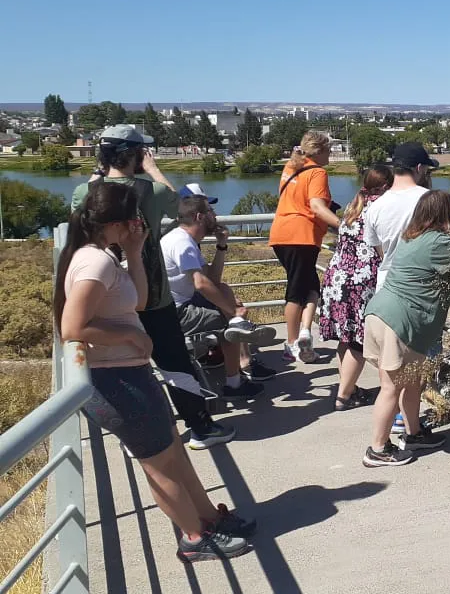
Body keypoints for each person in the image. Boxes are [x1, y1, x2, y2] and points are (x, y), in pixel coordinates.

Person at [55, 182, 256, 563]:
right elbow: (72, 327)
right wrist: (130, 335)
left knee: (173, 452)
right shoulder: (94, 262)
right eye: (136, 217)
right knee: (158, 464)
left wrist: (133, 252)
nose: (141, 222)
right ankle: (195, 537)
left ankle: (209, 518)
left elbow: (141, 300)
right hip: (115, 383)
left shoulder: (106, 255)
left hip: (130, 375)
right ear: (117, 221)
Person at [73, 125, 235, 450]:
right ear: (135, 154)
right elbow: (182, 207)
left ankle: (135, 436)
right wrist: (153, 170)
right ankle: (200, 427)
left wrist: (100, 172)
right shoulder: (152, 191)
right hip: (154, 297)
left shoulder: (84, 192)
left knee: (126, 369)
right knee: (176, 365)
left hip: (110, 297)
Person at [362, 190, 450, 467]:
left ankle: (413, 433)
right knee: (391, 387)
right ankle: (377, 449)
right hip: (399, 321)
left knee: (412, 381)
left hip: (382, 313)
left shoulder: (410, 237)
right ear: (445, 213)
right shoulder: (440, 242)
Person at [162, 190, 278, 398]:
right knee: (228, 325)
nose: (215, 216)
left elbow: (213, 279)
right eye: (211, 212)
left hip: (179, 302)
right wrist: (232, 312)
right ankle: (234, 385)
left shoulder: (184, 239)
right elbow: (200, 283)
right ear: (199, 216)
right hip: (176, 312)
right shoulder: (182, 244)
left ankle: (239, 328)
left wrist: (222, 245)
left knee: (224, 290)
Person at [362, 141, 439, 432]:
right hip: (418, 293)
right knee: (414, 372)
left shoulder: (375, 206)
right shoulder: (428, 200)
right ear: (419, 168)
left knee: (390, 371)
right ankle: (403, 429)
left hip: (385, 292)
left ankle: (401, 422)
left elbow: (379, 251)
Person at [317, 164, 393, 411]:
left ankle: (347, 387)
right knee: (359, 342)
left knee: (346, 338)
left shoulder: (354, 205)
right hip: (361, 282)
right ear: (386, 186)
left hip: (337, 279)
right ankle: (344, 396)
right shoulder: (380, 208)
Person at [269, 131, 341, 363]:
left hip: (281, 233)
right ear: (318, 152)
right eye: (329, 150)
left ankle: (305, 333)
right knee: (296, 291)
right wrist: (344, 226)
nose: (331, 155)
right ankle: (291, 345)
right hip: (301, 236)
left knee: (311, 285)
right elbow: (317, 207)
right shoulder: (318, 172)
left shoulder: (291, 166)